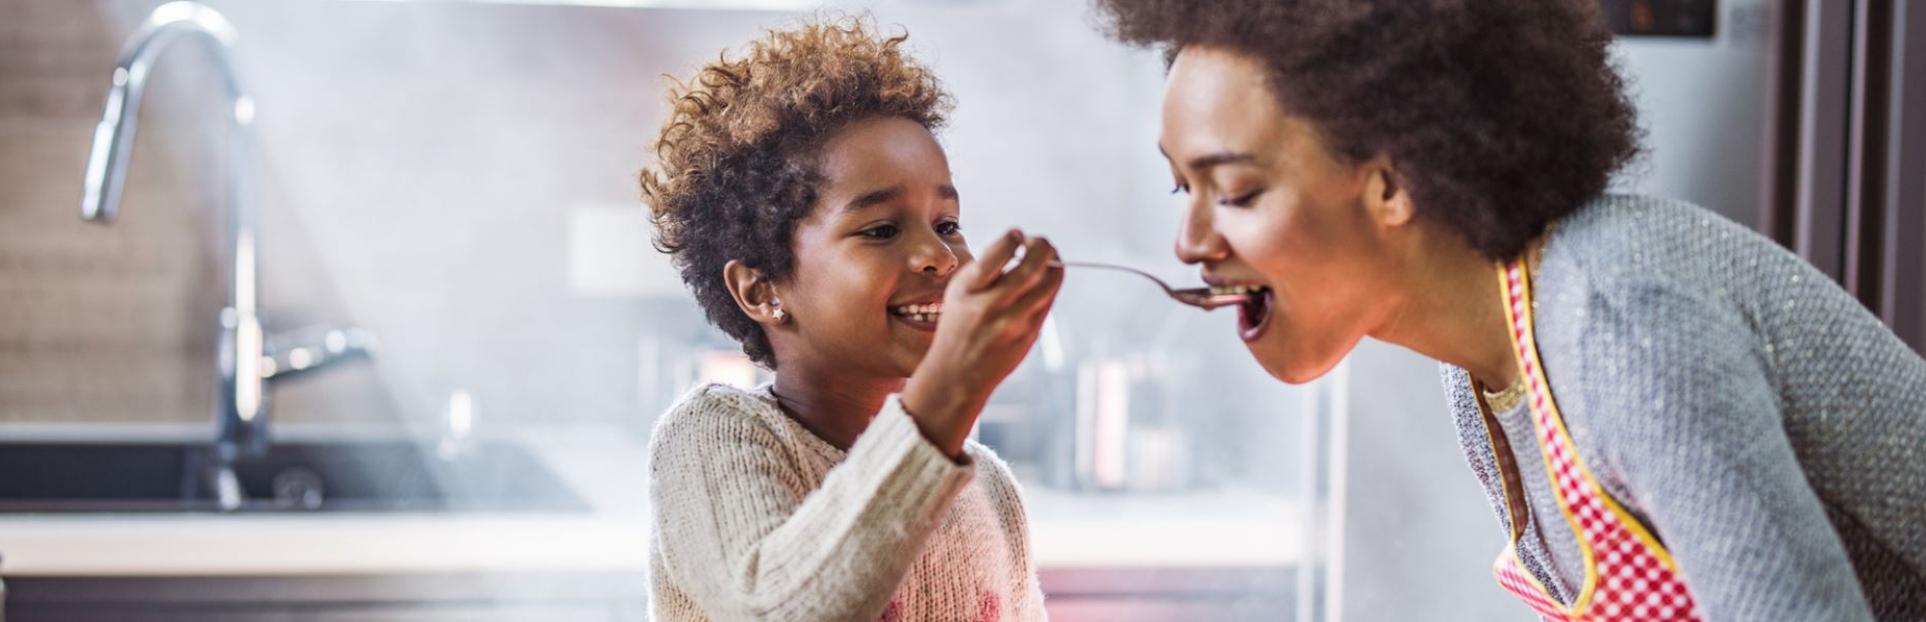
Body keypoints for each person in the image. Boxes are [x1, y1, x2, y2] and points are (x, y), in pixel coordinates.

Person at [1089, 0, 1926, 619]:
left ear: (1392, 182)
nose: (1189, 241)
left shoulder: (1621, 320)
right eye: (1181, 186)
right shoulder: (1492, 370)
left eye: (1234, 191)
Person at [638, 17, 1059, 621]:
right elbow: (774, 610)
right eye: (882, 229)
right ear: (760, 289)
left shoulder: (987, 486)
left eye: (947, 224)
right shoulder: (713, 439)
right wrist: (946, 400)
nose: (940, 257)